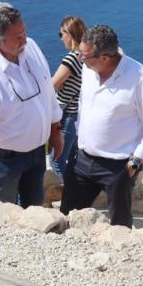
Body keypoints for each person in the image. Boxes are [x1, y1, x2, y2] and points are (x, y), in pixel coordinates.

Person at [59, 25, 143, 227]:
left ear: (105, 58)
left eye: (84, 55)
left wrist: (134, 164)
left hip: (118, 166)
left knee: (120, 225)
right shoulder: (88, 69)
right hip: (82, 158)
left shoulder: (138, 77)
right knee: (66, 218)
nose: (80, 58)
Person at [0, 5, 63, 207]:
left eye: (25, 33)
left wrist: (56, 129)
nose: (25, 41)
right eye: (18, 37)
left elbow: (47, 89)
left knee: (35, 207)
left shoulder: (31, 48)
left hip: (37, 153)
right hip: (5, 159)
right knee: (4, 213)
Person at [50, 15, 87, 175]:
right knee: (71, 160)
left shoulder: (71, 59)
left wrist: (58, 85)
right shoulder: (85, 57)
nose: (60, 39)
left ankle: (67, 198)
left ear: (70, 34)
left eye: (61, 34)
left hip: (66, 116)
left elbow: (51, 86)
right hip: (77, 115)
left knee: (57, 161)